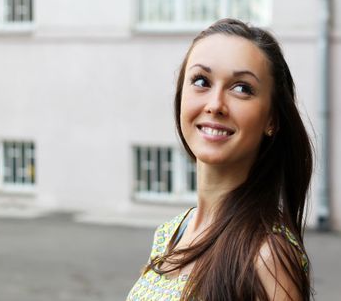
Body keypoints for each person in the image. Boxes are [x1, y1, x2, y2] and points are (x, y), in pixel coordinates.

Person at [126, 18, 313, 300]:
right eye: (201, 81)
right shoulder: (170, 234)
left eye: (242, 88)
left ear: (272, 118)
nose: (215, 105)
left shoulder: (266, 255)